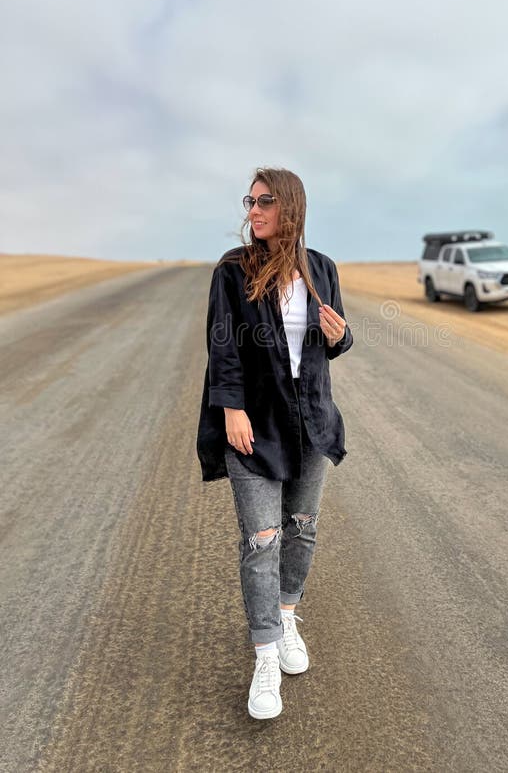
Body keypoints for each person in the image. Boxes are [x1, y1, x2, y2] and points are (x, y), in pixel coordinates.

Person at [196, 166, 353, 720]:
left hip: (309, 420)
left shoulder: (322, 270)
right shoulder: (233, 272)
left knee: (301, 530)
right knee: (261, 539)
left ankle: (287, 617)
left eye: (264, 201)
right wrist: (231, 408)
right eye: (250, 201)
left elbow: (333, 341)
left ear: (290, 208)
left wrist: (341, 337)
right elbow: (223, 347)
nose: (253, 211)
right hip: (254, 423)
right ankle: (265, 657)